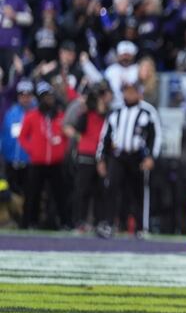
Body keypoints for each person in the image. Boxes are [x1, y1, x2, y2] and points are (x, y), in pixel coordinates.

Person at [96, 81, 161, 238]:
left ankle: (141, 227)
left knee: (138, 192)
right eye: (127, 92)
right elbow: (105, 135)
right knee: (111, 188)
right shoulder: (115, 111)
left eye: (132, 92)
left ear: (139, 93)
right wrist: (101, 158)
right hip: (117, 156)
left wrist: (152, 157)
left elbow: (156, 136)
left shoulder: (147, 111)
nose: (129, 95)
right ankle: (109, 224)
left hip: (137, 156)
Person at [63, 82, 113, 232]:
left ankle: (100, 222)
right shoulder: (85, 115)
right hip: (86, 156)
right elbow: (76, 129)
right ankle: (79, 221)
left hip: (101, 157)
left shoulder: (110, 115)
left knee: (100, 191)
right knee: (81, 190)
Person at [18, 82, 68, 229]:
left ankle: (64, 222)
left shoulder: (59, 116)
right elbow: (22, 137)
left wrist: (62, 150)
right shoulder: (31, 116)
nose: (49, 100)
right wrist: (32, 150)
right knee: (33, 194)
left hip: (55, 162)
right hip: (37, 162)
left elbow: (65, 137)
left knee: (60, 194)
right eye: (45, 98)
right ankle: (29, 222)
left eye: (50, 97)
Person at [1, 80, 34, 198]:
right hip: (10, 163)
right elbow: (4, 134)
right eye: (22, 95)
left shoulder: (36, 113)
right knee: (8, 194)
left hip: (29, 164)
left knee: (29, 195)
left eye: (27, 95)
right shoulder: (11, 113)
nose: (25, 98)